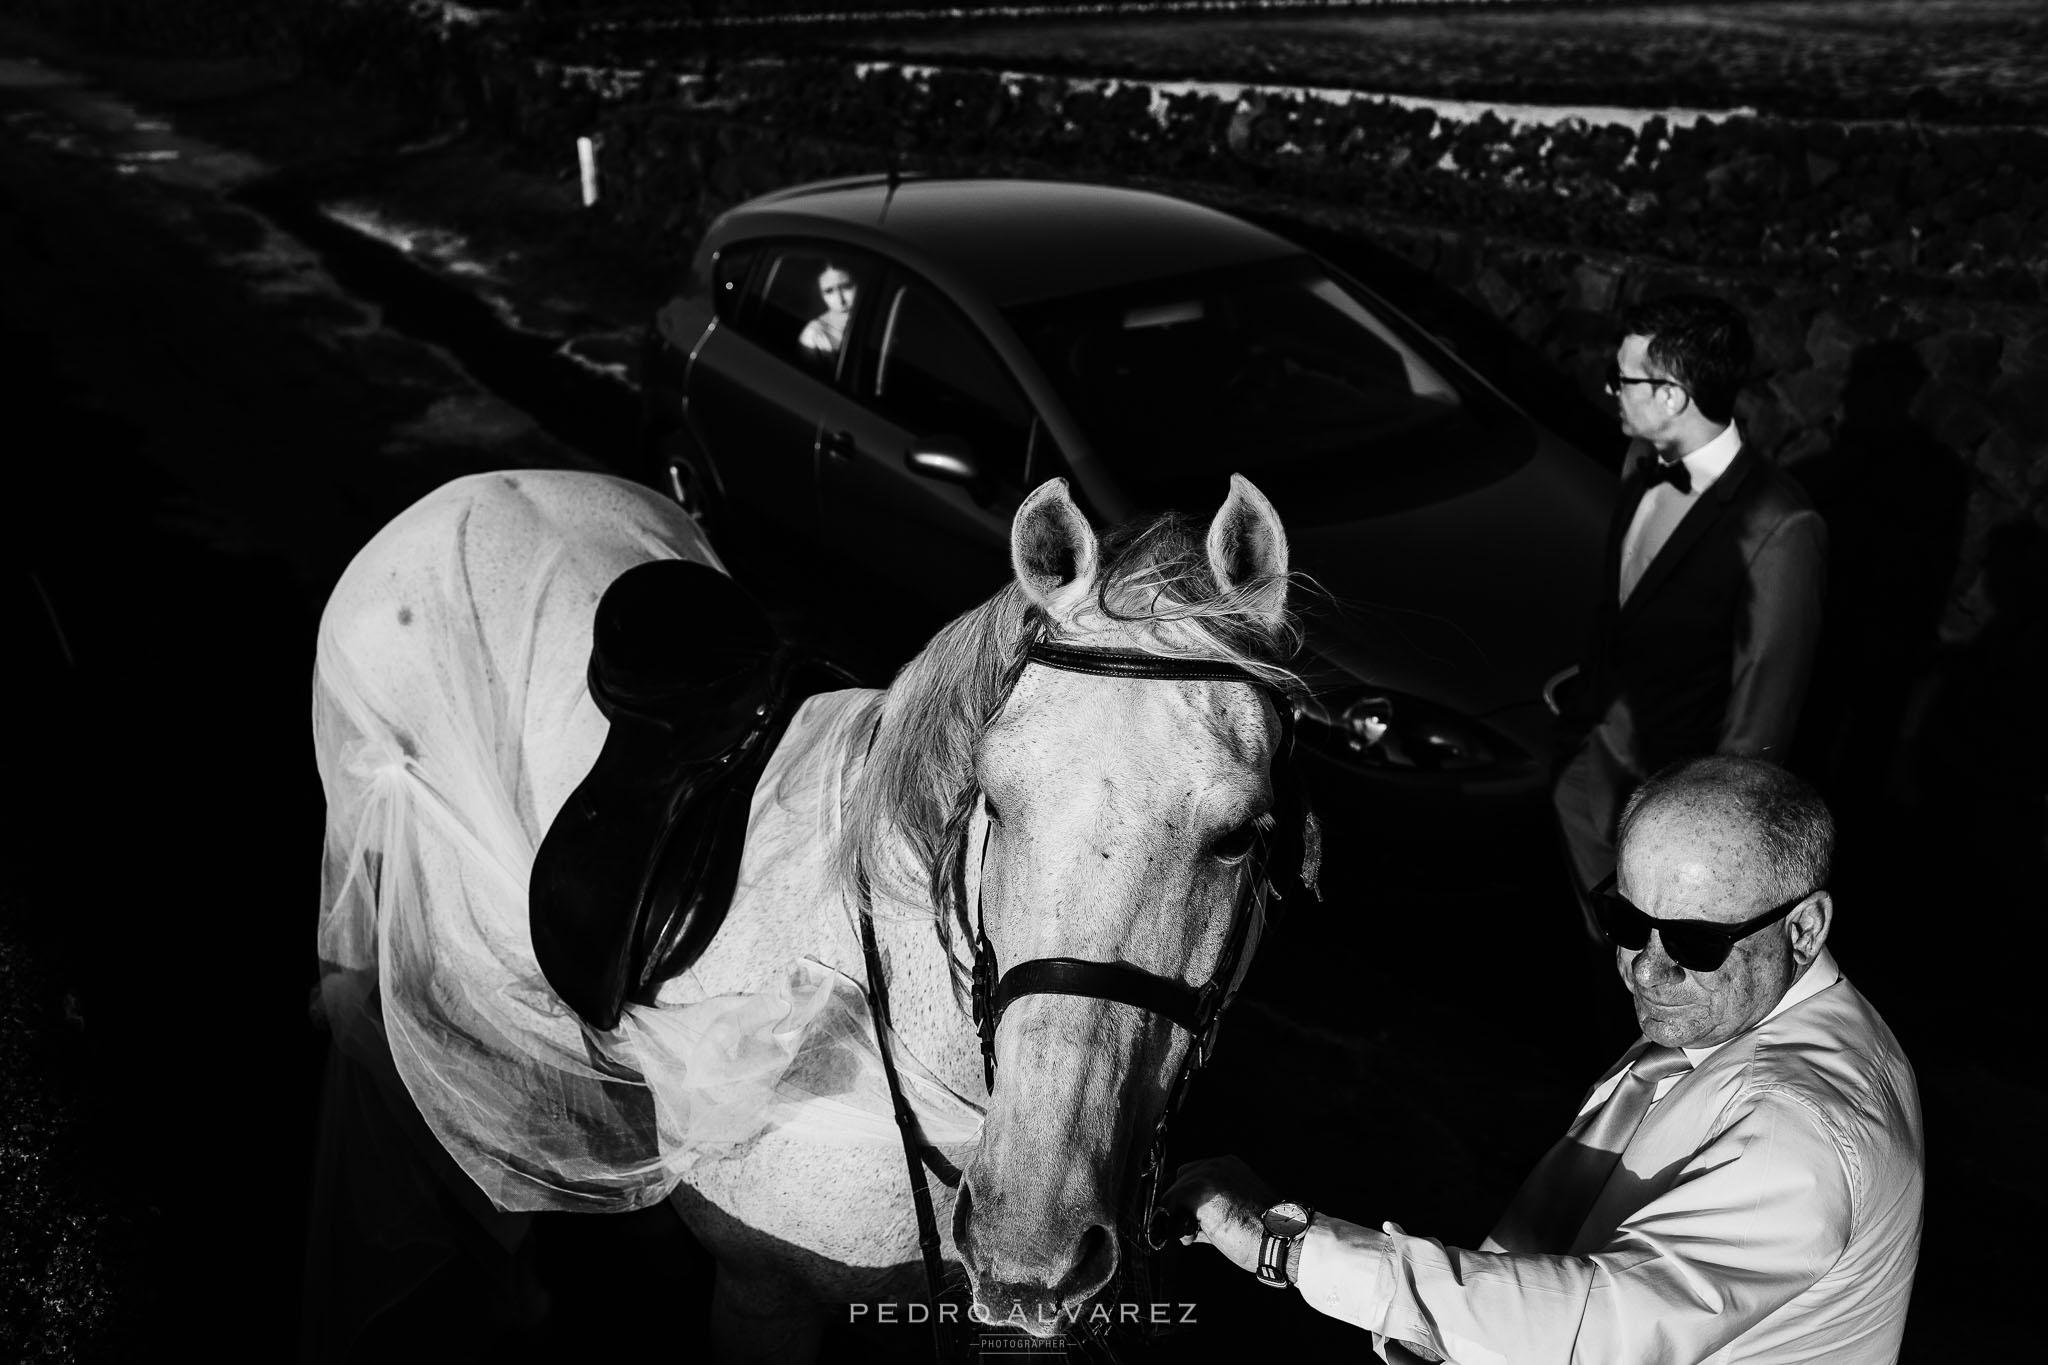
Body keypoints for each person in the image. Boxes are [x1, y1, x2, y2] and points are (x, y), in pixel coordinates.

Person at [1166, 756, 1924, 1364]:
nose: (1644, 971)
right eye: (1626, 921)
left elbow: (1594, 1331)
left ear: (1805, 929)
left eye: (1697, 943)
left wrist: (1288, 1246)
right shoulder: (1748, 1015)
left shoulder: (1804, 1130)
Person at [1552, 294, 1827, 934]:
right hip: (1585, 766)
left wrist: (1699, 836)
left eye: (1623, 379)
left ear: (1672, 394)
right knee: (1599, 959)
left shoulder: (1780, 526)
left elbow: (1762, 713)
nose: (1612, 391)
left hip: (1670, 813)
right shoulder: (1639, 461)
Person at [798, 262, 857, 357]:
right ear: (821, 295)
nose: (840, 298)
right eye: (829, 291)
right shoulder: (814, 335)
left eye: (846, 287)